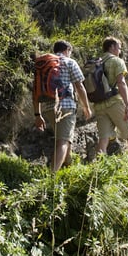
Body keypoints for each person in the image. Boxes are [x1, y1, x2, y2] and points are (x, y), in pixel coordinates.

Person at [33, 40, 93, 172]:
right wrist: (86, 106)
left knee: (65, 138)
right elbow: (79, 86)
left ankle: (68, 168)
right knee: (63, 142)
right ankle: (52, 177)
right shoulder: (69, 62)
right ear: (67, 50)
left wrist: (38, 115)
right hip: (65, 107)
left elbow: (35, 91)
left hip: (48, 108)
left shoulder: (44, 66)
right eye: (70, 52)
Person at [92, 36, 128, 167]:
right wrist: (127, 106)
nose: (120, 50)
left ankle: (96, 173)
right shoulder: (116, 61)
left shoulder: (97, 62)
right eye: (119, 47)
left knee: (103, 139)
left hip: (99, 105)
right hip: (115, 103)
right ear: (112, 47)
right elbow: (121, 82)